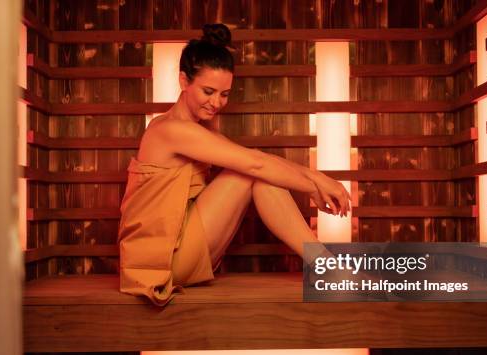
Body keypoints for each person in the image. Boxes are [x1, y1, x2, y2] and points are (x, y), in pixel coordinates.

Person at [118, 23, 351, 306]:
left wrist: (317, 178)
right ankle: (327, 267)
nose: (216, 102)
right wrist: (313, 187)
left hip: (183, 249)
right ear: (183, 81)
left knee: (257, 171)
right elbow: (255, 164)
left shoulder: (197, 132)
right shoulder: (170, 130)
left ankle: (326, 266)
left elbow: (256, 159)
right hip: (161, 260)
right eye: (208, 91)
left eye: (224, 94)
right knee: (251, 173)